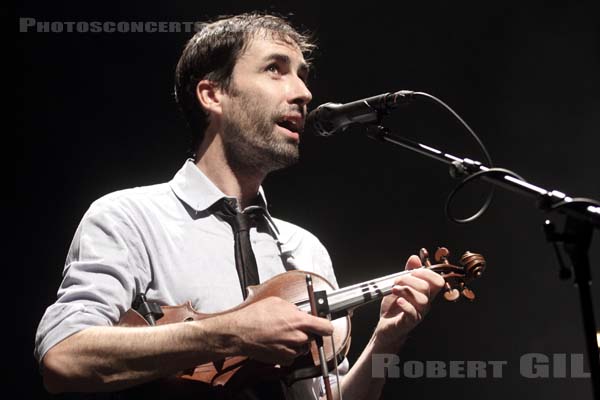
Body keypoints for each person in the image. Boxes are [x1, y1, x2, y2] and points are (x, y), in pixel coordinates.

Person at [34, 13, 445, 400]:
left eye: (302, 75)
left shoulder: (306, 251)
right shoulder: (129, 218)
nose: (304, 92)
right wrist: (227, 333)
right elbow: (63, 355)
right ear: (213, 94)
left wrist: (385, 340)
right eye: (275, 69)